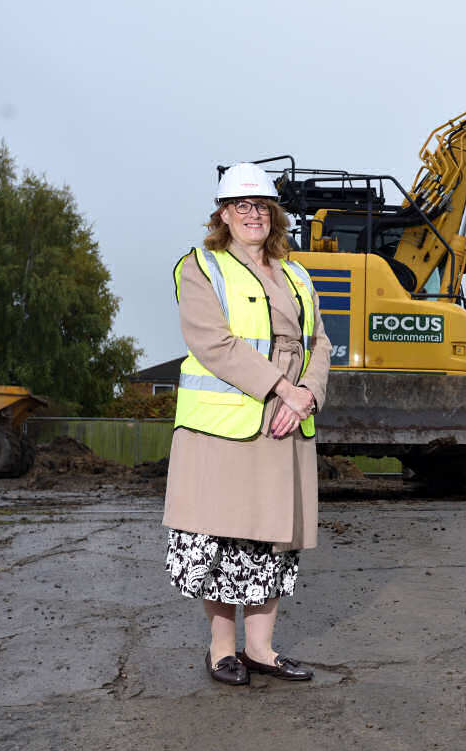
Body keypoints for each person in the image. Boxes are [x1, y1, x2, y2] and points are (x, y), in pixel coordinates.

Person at [163, 162, 332, 686]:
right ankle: (221, 651)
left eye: (262, 206)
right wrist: (282, 389)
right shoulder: (200, 266)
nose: (253, 214)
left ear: (274, 214)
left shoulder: (297, 272)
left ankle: (261, 649)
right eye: (242, 206)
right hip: (225, 427)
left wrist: (308, 394)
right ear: (223, 214)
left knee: (274, 538)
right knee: (222, 537)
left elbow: (320, 342)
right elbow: (212, 343)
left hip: (286, 422)